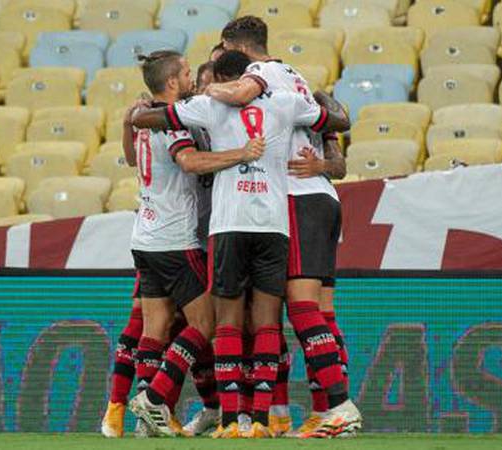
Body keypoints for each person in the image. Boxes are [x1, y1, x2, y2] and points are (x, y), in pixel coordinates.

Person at [131, 50, 351, 438]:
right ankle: (265, 420)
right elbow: (335, 121)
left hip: (227, 225)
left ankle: (231, 420)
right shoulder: (286, 103)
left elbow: (145, 119)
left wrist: (146, 111)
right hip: (274, 225)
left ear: (225, 79)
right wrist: (324, 102)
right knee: (268, 321)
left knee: (226, 322)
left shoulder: (207, 106)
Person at [204, 16, 360, 438]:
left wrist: (206, 89)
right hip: (323, 196)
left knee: (300, 307)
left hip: (296, 195)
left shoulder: (259, 75)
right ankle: (323, 410)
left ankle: (341, 406)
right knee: (322, 311)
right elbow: (337, 120)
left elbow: (234, 96)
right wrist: (328, 165)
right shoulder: (295, 76)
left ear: (231, 46)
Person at [125, 50, 267, 438]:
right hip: (175, 238)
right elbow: (189, 162)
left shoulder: (142, 120)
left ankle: (145, 423)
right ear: (172, 82)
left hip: (145, 236)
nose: (191, 79)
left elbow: (129, 158)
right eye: (187, 74)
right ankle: (154, 398)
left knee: (155, 327)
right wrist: (242, 153)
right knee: (204, 323)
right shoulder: (172, 122)